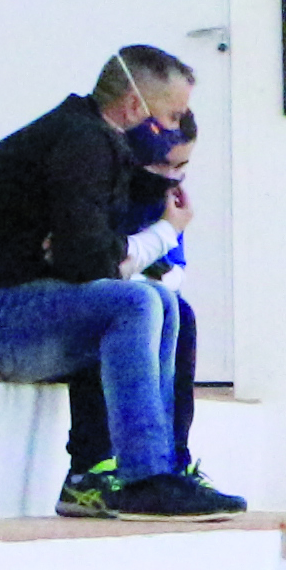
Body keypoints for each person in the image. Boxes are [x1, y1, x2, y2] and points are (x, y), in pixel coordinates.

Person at [0, 48, 243, 519]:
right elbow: (89, 262)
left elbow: (87, 259)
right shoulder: (82, 141)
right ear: (133, 107)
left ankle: (141, 470)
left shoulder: (97, 144)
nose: (178, 126)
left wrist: (91, 254)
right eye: (173, 114)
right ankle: (143, 476)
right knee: (133, 303)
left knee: (161, 302)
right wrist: (103, 251)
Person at [62, 96, 203, 496]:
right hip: (87, 297)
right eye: (161, 165)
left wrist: (152, 254)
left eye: (181, 167)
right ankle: (96, 461)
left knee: (179, 313)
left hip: (144, 291)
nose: (171, 177)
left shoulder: (168, 202)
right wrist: (158, 240)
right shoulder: (116, 190)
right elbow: (102, 265)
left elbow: (175, 272)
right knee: (118, 307)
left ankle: (174, 456)